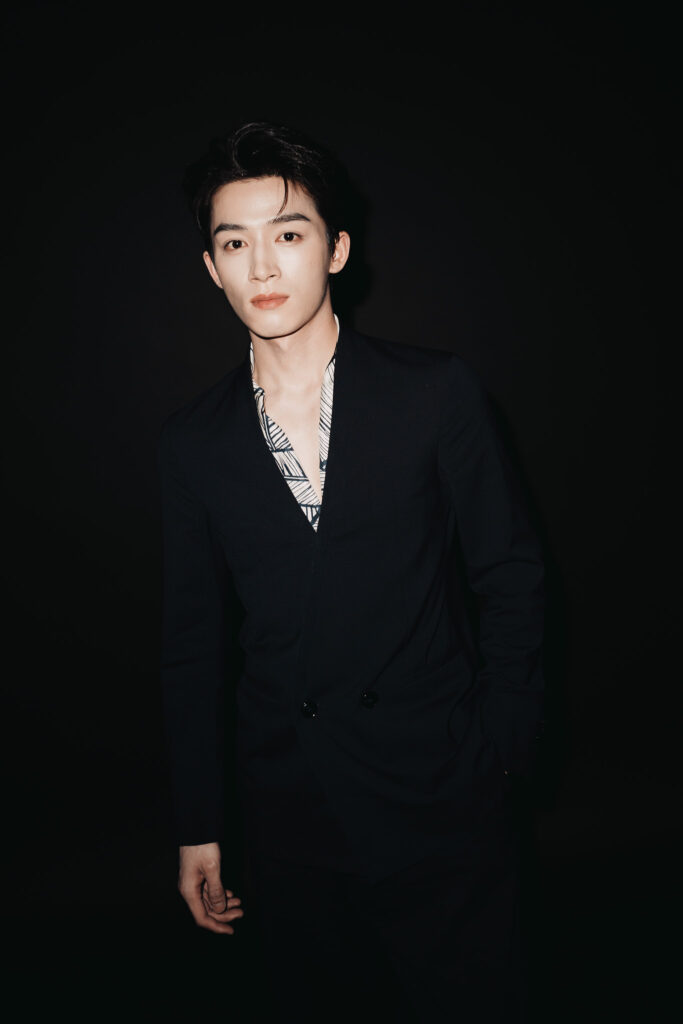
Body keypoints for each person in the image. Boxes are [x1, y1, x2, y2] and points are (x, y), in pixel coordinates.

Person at [158, 121, 545, 1022]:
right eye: (234, 243)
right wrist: (198, 824)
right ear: (211, 268)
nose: (262, 265)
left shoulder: (434, 393)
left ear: (335, 249)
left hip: (441, 794)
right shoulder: (192, 442)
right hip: (291, 812)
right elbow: (192, 646)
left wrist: (502, 755)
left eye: (287, 234)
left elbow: (510, 576)